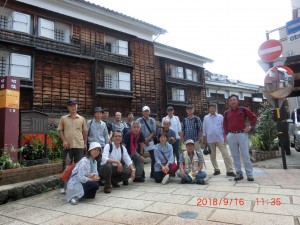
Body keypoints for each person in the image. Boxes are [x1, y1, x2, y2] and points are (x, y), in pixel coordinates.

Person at [223, 94, 257, 182]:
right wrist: (226, 135)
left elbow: (253, 118)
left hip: (242, 134)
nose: (233, 101)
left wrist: (249, 127)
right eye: (231, 100)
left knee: (245, 155)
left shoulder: (243, 109)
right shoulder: (226, 113)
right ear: (229, 103)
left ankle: (249, 174)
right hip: (231, 135)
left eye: (234, 100)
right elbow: (225, 125)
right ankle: (239, 173)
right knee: (235, 156)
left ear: (237, 101)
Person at [57, 99, 88, 194]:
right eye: (71, 106)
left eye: (74, 106)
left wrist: (85, 143)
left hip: (79, 145)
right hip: (68, 146)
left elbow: (85, 131)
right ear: (68, 107)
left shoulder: (82, 119)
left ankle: (78, 185)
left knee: (80, 166)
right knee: (66, 166)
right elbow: (60, 130)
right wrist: (64, 141)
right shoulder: (63, 118)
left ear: (77, 107)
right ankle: (64, 187)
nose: (73, 108)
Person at [202, 104, 236, 177]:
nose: (212, 109)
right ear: (209, 109)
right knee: (212, 156)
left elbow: (224, 127)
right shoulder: (206, 118)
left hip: (220, 138)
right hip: (210, 139)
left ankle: (229, 170)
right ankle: (216, 169)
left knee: (225, 154)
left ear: (215, 109)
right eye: (210, 108)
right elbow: (204, 128)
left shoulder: (220, 117)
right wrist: (204, 138)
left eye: (213, 108)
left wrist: (225, 137)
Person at [137, 106, 156, 178]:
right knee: (140, 157)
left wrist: (147, 139)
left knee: (154, 157)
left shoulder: (152, 120)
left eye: (147, 111)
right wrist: (144, 140)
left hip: (150, 141)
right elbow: (138, 131)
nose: (146, 112)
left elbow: (154, 132)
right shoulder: (139, 120)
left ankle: (153, 172)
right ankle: (141, 173)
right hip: (141, 142)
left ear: (149, 112)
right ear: (142, 112)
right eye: (145, 111)